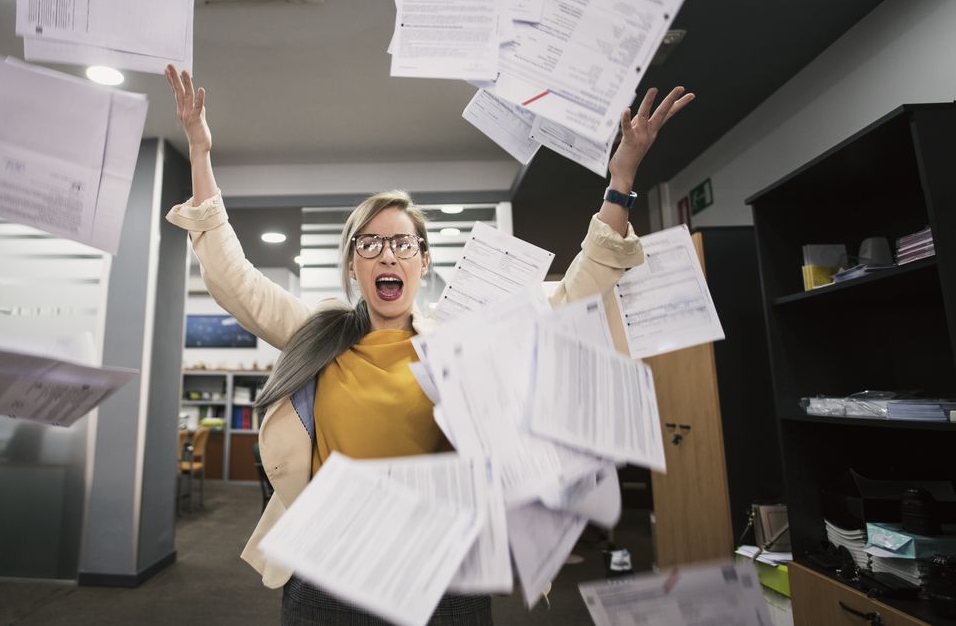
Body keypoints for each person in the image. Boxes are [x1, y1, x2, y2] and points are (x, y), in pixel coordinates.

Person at [164, 65, 693, 625]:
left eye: (403, 243)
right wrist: (199, 153)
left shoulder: (462, 338)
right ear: (352, 264)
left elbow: (573, 295)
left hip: (444, 576)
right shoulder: (318, 332)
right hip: (329, 572)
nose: (387, 254)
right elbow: (233, 279)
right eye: (370, 243)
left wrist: (622, 178)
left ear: (423, 261)